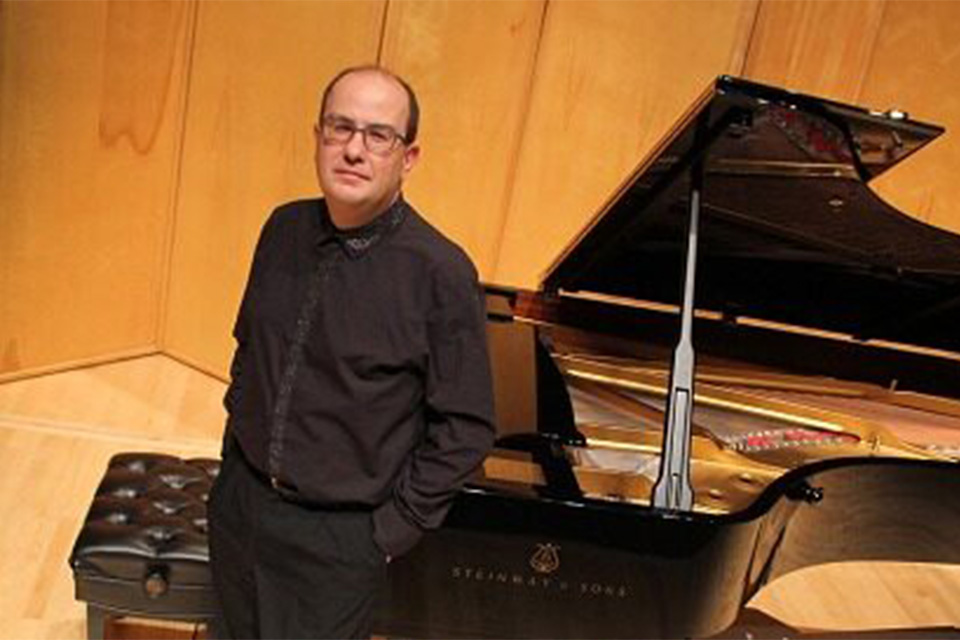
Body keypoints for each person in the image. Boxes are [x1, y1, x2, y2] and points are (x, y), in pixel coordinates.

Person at [207, 65, 496, 639]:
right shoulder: (282, 227)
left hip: (338, 543)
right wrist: (234, 467)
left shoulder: (440, 273)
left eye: (378, 135)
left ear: (407, 157)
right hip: (241, 508)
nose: (354, 150)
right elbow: (248, 350)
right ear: (318, 137)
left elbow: (466, 426)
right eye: (341, 128)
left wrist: (389, 531)